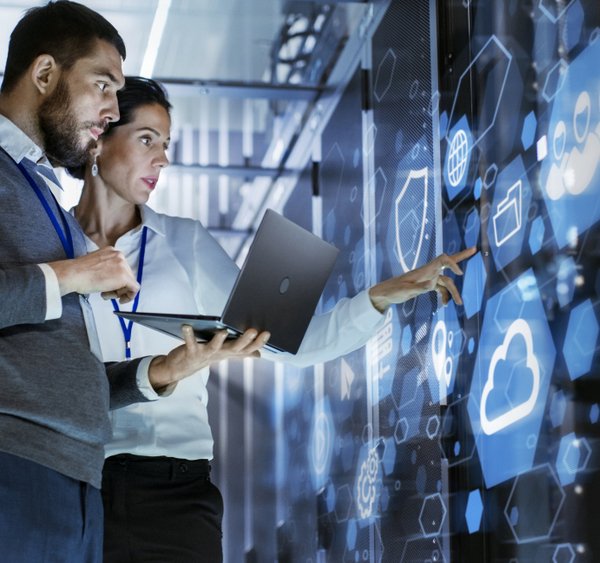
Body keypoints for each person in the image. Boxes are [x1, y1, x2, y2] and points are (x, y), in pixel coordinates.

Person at [71, 76, 476, 562]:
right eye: (146, 139)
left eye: (167, 144)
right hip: (79, 485)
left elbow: (292, 344)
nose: (163, 159)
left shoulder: (186, 243)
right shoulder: (53, 248)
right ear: (100, 138)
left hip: (176, 493)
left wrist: (381, 296)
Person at [0, 4, 269, 562]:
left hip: (74, 480)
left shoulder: (40, 187)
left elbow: (60, 364)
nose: (107, 109)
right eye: (102, 85)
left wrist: (160, 372)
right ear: (45, 74)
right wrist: (77, 273)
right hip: (17, 466)